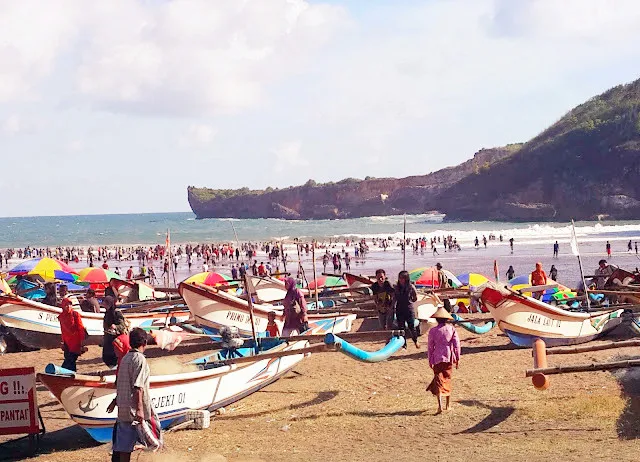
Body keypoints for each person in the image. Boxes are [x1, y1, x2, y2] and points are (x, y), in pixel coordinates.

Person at [109, 327, 155, 462]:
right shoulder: (140, 360)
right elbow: (137, 386)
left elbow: (123, 383)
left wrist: (115, 400)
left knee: (123, 446)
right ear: (145, 343)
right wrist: (140, 409)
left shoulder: (125, 359)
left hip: (123, 407)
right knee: (152, 437)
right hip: (134, 409)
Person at [426, 307, 460, 414]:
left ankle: (440, 406)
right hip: (448, 357)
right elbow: (456, 345)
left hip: (436, 358)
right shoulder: (451, 329)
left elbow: (430, 347)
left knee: (438, 380)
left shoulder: (433, 331)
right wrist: (457, 358)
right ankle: (448, 405)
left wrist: (430, 360)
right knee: (447, 379)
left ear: (436, 320)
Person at [58, 295, 86, 372]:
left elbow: (81, 328)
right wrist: (63, 342)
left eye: (70, 304)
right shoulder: (61, 317)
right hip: (67, 343)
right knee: (70, 361)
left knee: (70, 360)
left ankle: (61, 373)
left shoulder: (75, 315)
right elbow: (62, 331)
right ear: (63, 306)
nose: (68, 306)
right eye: (66, 305)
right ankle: (72, 377)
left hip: (75, 343)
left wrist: (82, 342)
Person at [393, 271, 419, 348]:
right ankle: (404, 345)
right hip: (399, 308)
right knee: (401, 327)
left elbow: (415, 297)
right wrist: (393, 307)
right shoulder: (396, 287)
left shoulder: (411, 287)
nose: (401, 280)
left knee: (411, 326)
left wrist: (410, 301)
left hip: (408, 308)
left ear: (406, 279)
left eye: (402, 278)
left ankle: (415, 340)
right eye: (400, 278)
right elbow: (394, 298)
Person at [103, 296, 127, 368]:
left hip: (115, 339)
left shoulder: (116, 313)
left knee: (114, 357)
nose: (103, 304)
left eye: (104, 302)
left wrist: (116, 326)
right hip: (108, 338)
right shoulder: (107, 312)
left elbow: (122, 325)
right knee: (107, 357)